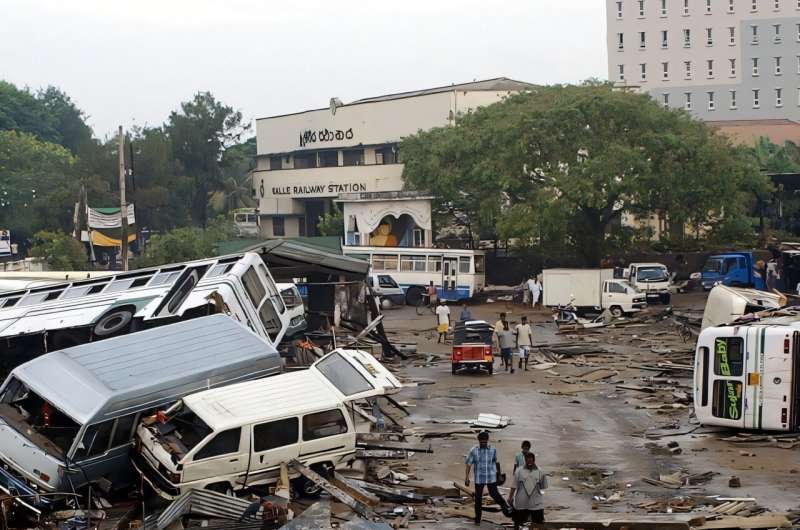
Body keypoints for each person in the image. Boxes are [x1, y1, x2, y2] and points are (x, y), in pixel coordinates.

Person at [465, 431, 512, 524]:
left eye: (485, 442)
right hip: (479, 478)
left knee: (495, 494)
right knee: (478, 499)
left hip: (491, 477)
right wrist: (466, 478)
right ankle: (477, 519)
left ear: (487, 441)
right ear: (478, 441)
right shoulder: (473, 450)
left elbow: (495, 462)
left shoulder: (492, 450)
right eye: (482, 442)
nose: (483, 444)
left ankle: (507, 509)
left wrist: (499, 474)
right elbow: (468, 464)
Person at [508, 452, 548, 529]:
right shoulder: (519, 471)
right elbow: (513, 485)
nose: (529, 462)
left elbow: (542, 486)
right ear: (525, 461)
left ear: (534, 460)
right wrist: (510, 497)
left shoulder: (540, 472)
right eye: (527, 460)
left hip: (535, 503)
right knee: (519, 524)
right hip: (522, 503)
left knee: (538, 524)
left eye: (531, 460)